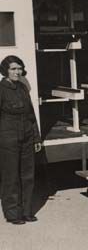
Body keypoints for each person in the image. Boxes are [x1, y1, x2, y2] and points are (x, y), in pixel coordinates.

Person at [0, 55, 42, 225]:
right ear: (5, 71)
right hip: (8, 138)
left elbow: (31, 115)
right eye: (13, 69)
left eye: (19, 68)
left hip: (27, 137)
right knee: (11, 177)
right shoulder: (1, 89)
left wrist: (36, 138)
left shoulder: (23, 88)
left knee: (27, 176)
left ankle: (26, 211)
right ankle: (12, 214)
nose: (17, 72)